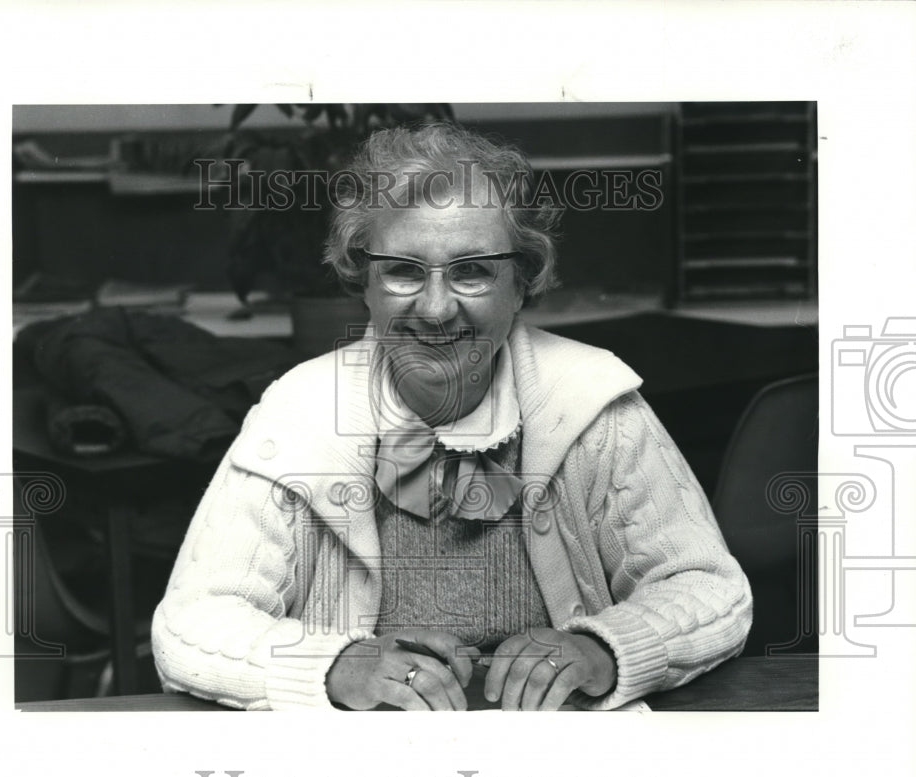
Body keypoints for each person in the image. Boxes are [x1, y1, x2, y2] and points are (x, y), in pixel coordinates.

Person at [151, 122, 752, 711]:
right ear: (365, 282)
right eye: (404, 270)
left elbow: (709, 589)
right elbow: (190, 625)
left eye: (472, 270)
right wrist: (334, 666)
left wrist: (602, 651)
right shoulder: (300, 414)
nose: (436, 310)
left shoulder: (593, 403)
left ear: (521, 282)